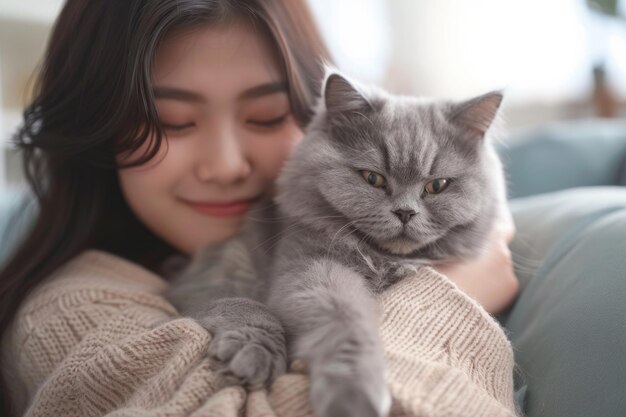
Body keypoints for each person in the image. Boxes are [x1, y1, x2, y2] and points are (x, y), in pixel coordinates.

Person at [0, 1, 519, 416]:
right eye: (174, 121)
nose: (226, 166)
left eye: (267, 116)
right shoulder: (69, 314)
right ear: (98, 128)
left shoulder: (295, 237)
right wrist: (448, 297)